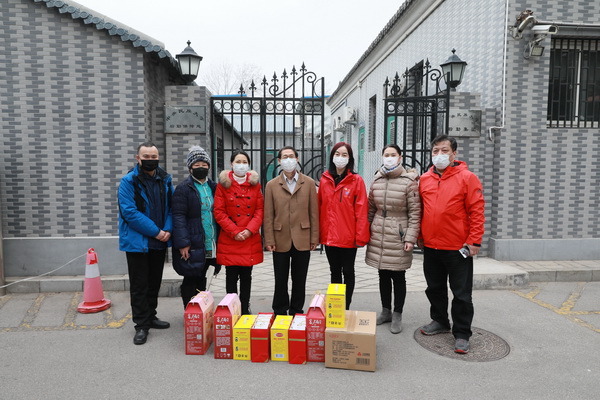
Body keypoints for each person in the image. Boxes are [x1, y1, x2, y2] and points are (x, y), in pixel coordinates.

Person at [417, 135, 485, 354]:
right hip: (431, 245)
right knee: (434, 288)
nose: (439, 155)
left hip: (458, 247)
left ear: (454, 153)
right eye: (435, 151)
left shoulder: (467, 178)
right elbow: (421, 210)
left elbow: (476, 211)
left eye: (444, 151)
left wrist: (474, 240)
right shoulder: (425, 179)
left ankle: (462, 333)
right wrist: (420, 236)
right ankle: (440, 320)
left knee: (461, 293)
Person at [118, 142, 173, 345]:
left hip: (159, 240)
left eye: (154, 157)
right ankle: (141, 325)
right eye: (146, 157)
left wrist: (167, 230)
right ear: (138, 158)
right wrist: (157, 232)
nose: (151, 160)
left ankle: (151, 316)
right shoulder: (128, 182)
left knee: (154, 282)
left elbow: (171, 208)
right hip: (138, 242)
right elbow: (129, 213)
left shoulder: (165, 179)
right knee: (139, 285)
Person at [365, 144, 421, 334]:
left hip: (399, 232)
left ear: (400, 157)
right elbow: (371, 208)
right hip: (379, 231)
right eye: (386, 155)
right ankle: (386, 311)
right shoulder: (377, 178)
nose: (389, 158)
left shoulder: (409, 181)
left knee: (398, 275)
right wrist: (367, 230)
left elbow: (415, 212)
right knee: (382, 274)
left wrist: (410, 238)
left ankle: (397, 313)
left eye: (393, 154)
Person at [264, 146, 319, 316]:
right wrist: (269, 240)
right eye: (285, 157)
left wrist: (314, 238)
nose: (288, 160)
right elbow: (268, 215)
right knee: (280, 278)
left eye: (291, 156)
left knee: (299, 278)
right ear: (279, 161)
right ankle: (280, 310)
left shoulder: (308, 183)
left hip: (302, 237)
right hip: (280, 237)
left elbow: (314, 213)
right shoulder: (271, 185)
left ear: (297, 159)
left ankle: (296, 310)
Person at [318, 142, 369, 309]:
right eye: (337, 154)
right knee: (334, 271)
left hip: (348, 237)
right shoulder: (325, 179)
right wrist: (318, 235)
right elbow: (319, 208)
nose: (340, 158)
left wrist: (360, 237)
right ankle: (337, 307)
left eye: (344, 155)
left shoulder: (356, 180)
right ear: (332, 157)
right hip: (329, 236)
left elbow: (361, 210)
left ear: (350, 158)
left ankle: (346, 306)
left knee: (348, 271)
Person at [213, 150, 263, 315]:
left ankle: (245, 308)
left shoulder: (255, 185)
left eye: (244, 162)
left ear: (248, 165)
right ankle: (232, 308)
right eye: (238, 162)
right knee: (231, 276)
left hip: (249, 238)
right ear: (231, 164)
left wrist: (249, 230)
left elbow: (259, 211)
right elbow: (219, 212)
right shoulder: (223, 185)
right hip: (230, 237)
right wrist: (234, 231)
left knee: (247, 276)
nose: (241, 165)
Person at [172, 146, 220, 309]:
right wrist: (183, 243)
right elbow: (178, 216)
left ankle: (201, 310)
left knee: (203, 274)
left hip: (209, 240)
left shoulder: (213, 187)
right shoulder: (184, 188)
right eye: (197, 164)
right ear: (190, 167)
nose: (201, 167)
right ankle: (190, 310)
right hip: (193, 241)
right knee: (191, 276)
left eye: (204, 164)